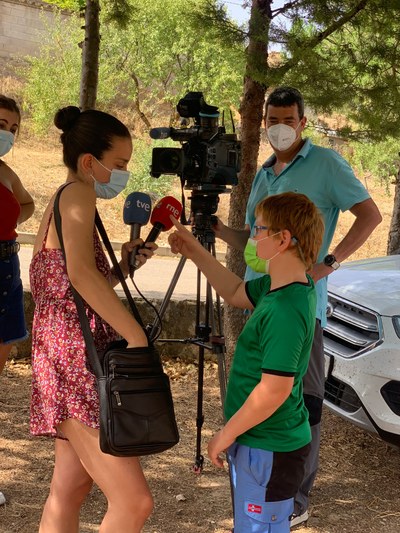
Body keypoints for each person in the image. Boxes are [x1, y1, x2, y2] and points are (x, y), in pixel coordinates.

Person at [213, 86, 382, 526]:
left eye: (287, 119)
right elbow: (255, 240)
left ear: (303, 122)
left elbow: (370, 215)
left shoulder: (326, 164)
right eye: (272, 119)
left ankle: (293, 498)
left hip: (298, 306)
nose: (278, 127)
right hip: (260, 300)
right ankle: (258, 476)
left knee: (300, 399)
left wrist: (329, 263)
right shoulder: (265, 173)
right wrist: (209, 233)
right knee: (264, 389)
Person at [29, 106, 156, 532]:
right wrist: (135, 334)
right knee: (134, 502)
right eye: (118, 164)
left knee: (69, 491)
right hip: (75, 364)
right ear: (89, 161)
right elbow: (80, 276)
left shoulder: (65, 199)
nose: (122, 174)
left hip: (65, 357)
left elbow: (71, 287)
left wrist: (123, 270)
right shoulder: (78, 193)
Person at [169, 191, 325, 532]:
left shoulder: (285, 309)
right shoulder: (282, 285)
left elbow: (273, 391)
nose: (252, 238)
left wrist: (225, 435)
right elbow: (237, 291)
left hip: (269, 446)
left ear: (283, 239)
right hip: (260, 443)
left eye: (258, 229)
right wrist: (194, 249)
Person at [0, 95, 35, 506]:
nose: (6, 132)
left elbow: (25, 203)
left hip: (7, 268)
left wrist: (12, 221)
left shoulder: (5, 171)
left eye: (11, 127)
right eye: (1, 123)